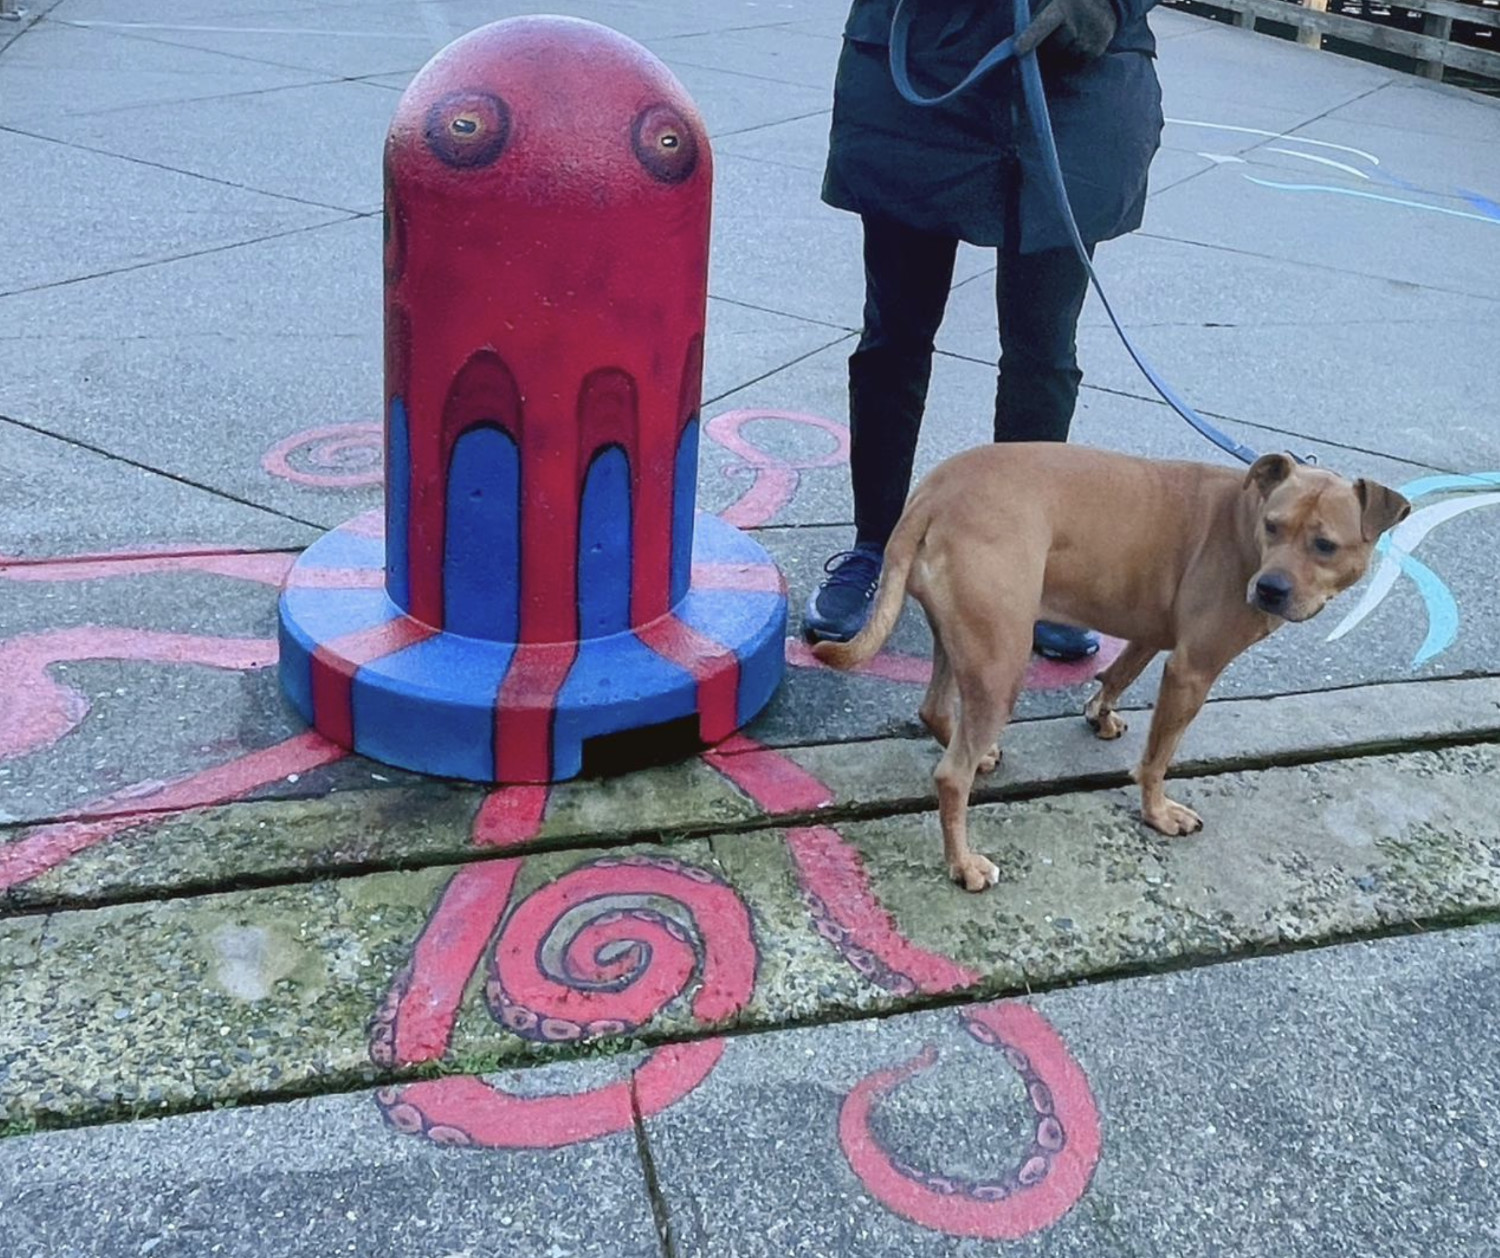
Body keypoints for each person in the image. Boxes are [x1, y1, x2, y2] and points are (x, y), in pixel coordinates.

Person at [804, 0, 1164, 659]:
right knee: (895, 332)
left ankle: (1019, 565)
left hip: (1071, 79)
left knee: (1043, 350)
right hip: (920, 59)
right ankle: (875, 547)